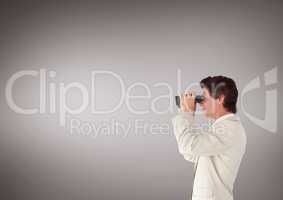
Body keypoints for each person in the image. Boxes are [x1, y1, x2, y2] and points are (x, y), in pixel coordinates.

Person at [172, 76, 247, 200]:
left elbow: (188, 146)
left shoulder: (229, 129)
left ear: (220, 99)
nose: (201, 103)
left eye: (204, 97)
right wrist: (184, 113)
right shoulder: (222, 128)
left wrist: (186, 115)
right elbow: (191, 153)